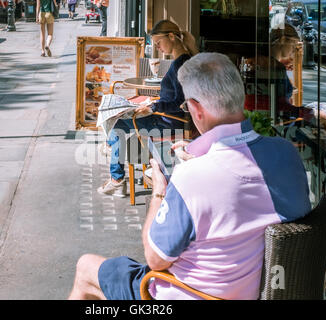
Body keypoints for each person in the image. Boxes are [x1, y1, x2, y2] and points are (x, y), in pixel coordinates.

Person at [68, 52, 312, 300]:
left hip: (191, 294)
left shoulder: (191, 177)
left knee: (86, 267)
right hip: (263, 288)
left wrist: (159, 191)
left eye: (186, 106)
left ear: (195, 109)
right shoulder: (287, 154)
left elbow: (155, 259)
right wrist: (204, 161)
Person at [97, 19, 199, 197]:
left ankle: (116, 178)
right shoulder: (182, 62)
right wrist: (152, 103)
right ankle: (114, 164)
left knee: (117, 125)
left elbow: (182, 102)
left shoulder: (181, 65)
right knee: (118, 123)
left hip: (168, 123)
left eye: (158, 42)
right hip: (166, 117)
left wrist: (153, 107)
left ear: (171, 36)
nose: (157, 47)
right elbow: (176, 97)